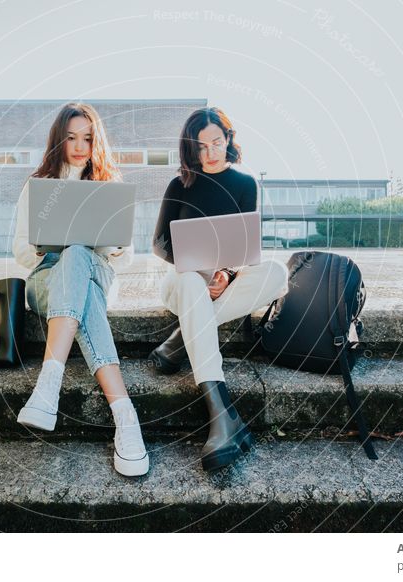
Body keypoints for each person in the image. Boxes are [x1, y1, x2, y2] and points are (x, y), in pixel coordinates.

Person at [12, 103, 149, 477]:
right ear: (59, 139)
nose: (79, 145)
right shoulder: (37, 184)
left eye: (87, 138)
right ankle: (126, 417)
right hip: (47, 279)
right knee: (70, 254)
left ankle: (47, 387)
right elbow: (22, 252)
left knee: (78, 253)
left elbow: (126, 257)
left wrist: (111, 246)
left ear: (96, 140)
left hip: (95, 274)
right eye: (71, 137)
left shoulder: (109, 182)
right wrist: (44, 244)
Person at [150, 107, 288, 471]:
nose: (210, 152)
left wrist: (225, 274)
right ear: (191, 149)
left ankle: (183, 339)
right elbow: (159, 243)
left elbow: (243, 247)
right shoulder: (180, 185)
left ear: (228, 139)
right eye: (201, 146)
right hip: (181, 279)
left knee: (276, 273)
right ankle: (222, 414)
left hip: (222, 282)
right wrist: (196, 267)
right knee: (190, 282)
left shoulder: (245, 184)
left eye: (217, 142)